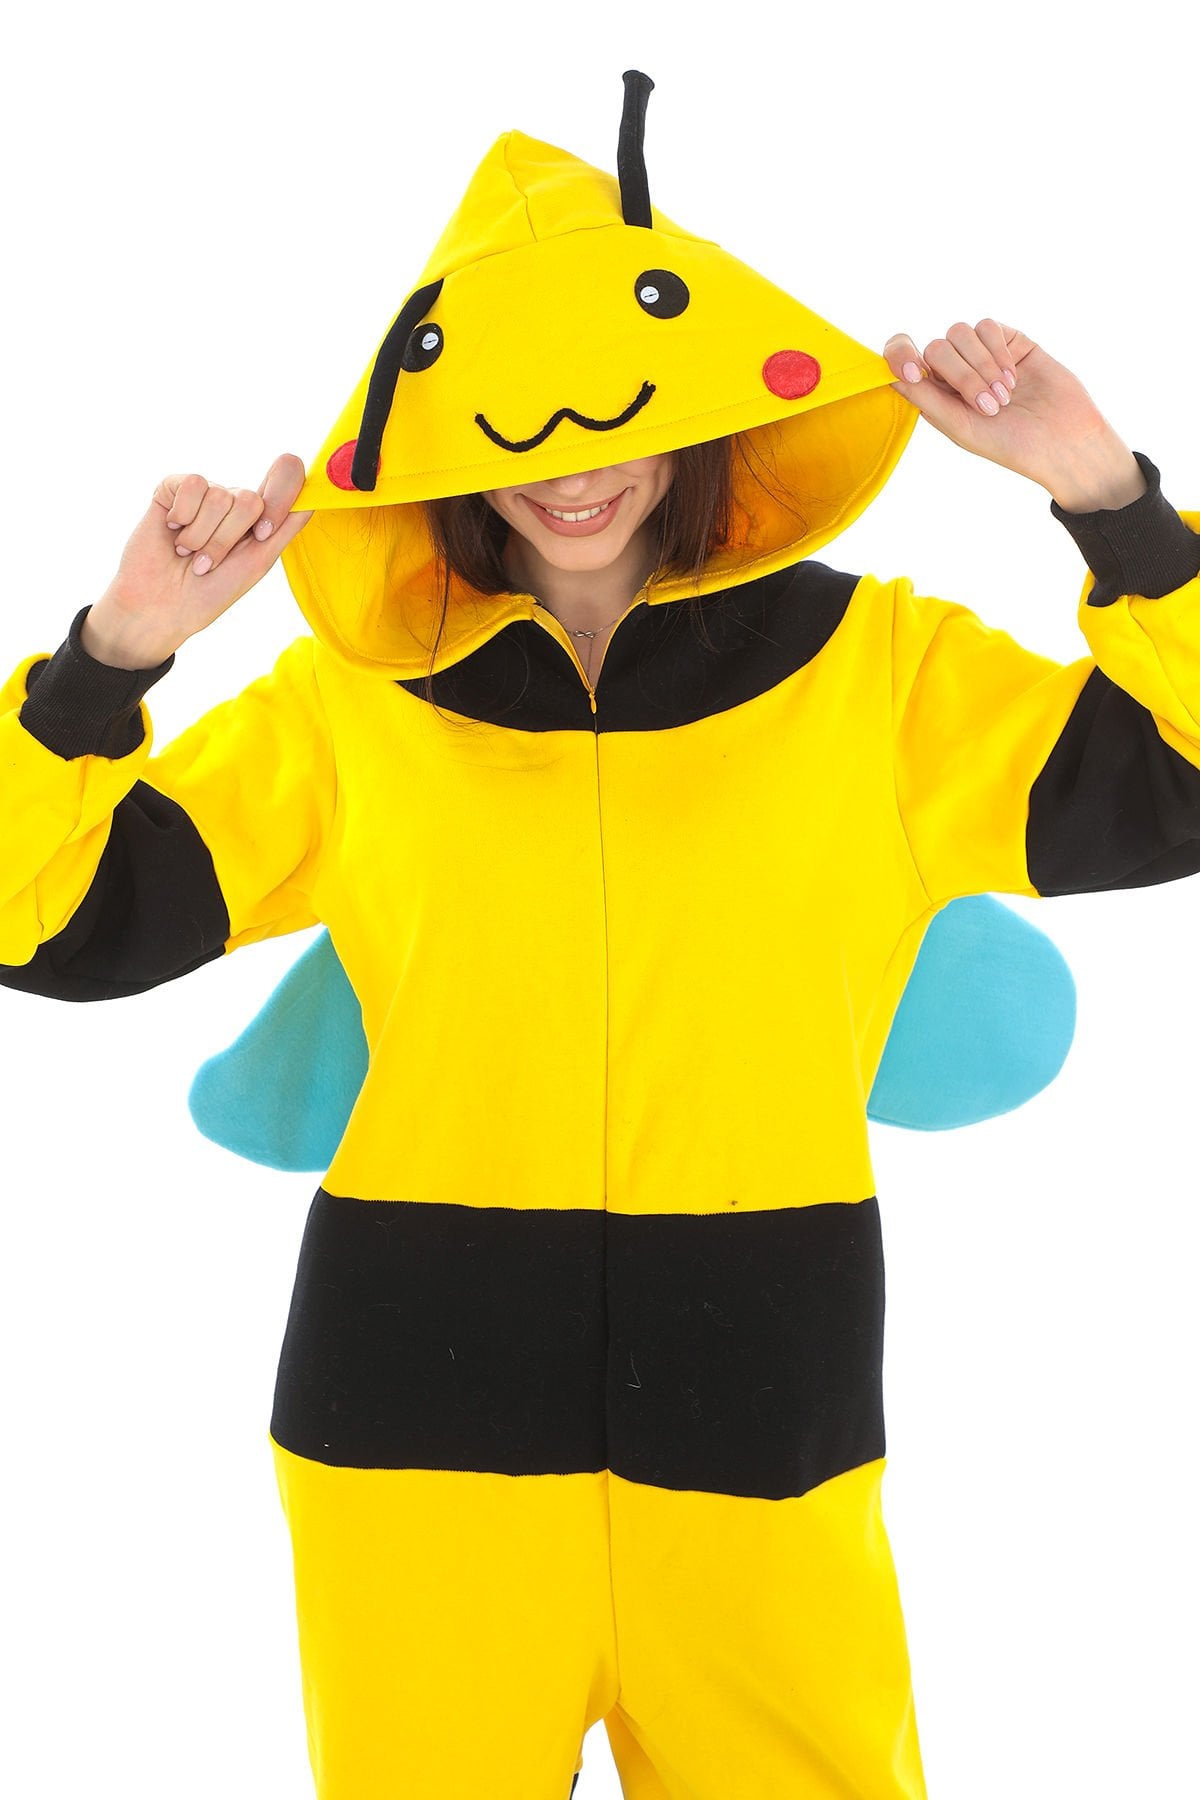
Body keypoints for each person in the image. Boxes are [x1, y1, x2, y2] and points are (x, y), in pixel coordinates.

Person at [3, 68, 1199, 1800]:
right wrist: (107, 659)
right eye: (521, 427)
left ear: (698, 401)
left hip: (763, 1418)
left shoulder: (876, 675)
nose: (575, 469)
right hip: (408, 1433)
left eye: (618, 415)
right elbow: (44, 924)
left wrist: (1106, 496)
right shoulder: (352, 707)